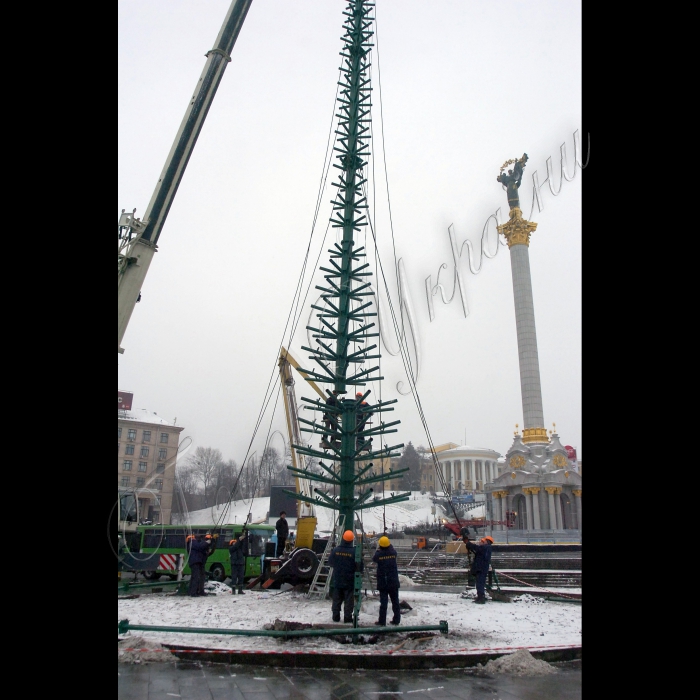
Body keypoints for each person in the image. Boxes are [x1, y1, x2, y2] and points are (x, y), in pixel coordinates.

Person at [328, 530, 362, 623]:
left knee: (337, 599)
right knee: (348, 600)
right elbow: (359, 567)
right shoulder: (354, 552)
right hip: (349, 580)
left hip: (338, 579)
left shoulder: (336, 550)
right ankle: (347, 617)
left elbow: (330, 562)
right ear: (352, 540)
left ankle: (335, 616)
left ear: (343, 538)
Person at [372, 535, 401, 626]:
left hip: (383, 582)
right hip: (393, 581)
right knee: (395, 601)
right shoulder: (393, 553)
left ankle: (382, 621)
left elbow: (374, 559)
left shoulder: (379, 554)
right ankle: (396, 619)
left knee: (383, 603)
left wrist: (378, 550)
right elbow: (393, 551)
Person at [463, 534, 494, 604]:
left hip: (481, 568)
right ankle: (480, 597)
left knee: (480, 583)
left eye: (484, 540)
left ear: (487, 541)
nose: (482, 542)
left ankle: (481, 598)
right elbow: (477, 550)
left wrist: (468, 543)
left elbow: (477, 548)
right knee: (479, 583)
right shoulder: (486, 548)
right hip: (481, 568)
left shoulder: (486, 548)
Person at [229, 530, 248, 594]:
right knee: (234, 577)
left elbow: (241, 544)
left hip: (240, 563)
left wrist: (243, 537)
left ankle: (240, 590)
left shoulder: (239, 547)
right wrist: (239, 540)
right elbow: (236, 546)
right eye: (233, 542)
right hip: (234, 564)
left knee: (241, 577)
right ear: (231, 544)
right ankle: (233, 590)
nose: (235, 543)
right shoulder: (231, 549)